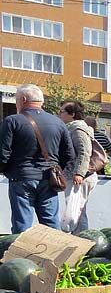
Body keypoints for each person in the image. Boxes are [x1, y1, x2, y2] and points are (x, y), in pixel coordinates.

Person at [0, 84, 74, 233]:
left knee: (22, 226)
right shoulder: (59, 123)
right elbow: (70, 155)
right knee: (51, 226)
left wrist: (7, 171)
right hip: (49, 178)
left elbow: (3, 153)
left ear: (23, 99)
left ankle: (23, 256)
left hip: (21, 179)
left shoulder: (13, 121)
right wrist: (56, 169)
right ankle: (54, 255)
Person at [58, 100, 98, 233]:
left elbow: (84, 151)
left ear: (72, 114)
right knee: (78, 211)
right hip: (77, 175)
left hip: (79, 177)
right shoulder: (74, 127)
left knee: (76, 212)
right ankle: (80, 238)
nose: (59, 114)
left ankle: (80, 240)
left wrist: (79, 173)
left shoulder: (77, 129)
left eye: (62, 111)